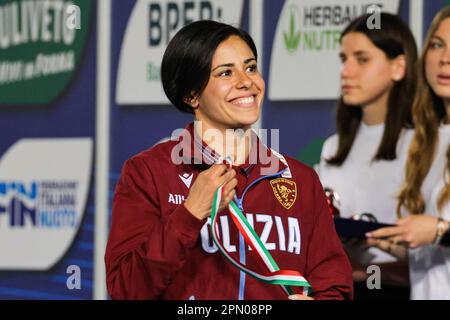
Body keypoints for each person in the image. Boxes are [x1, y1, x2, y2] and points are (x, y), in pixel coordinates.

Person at [104, 20, 353, 300]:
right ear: (191, 94)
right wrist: (189, 214)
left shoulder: (301, 181)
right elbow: (126, 289)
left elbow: (334, 288)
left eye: (250, 67)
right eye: (225, 73)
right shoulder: (149, 173)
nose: (246, 82)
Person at [317, 13, 418, 299]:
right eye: (343, 59)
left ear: (398, 67)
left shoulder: (424, 145)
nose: (346, 71)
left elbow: (435, 251)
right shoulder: (332, 147)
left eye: (362, 59)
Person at [366, 6, 450, 300]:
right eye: (437, 45)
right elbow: (432, 257)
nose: (445, 59)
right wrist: (394, 245)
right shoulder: (423, 142)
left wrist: (441, 231)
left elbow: (438, 233)